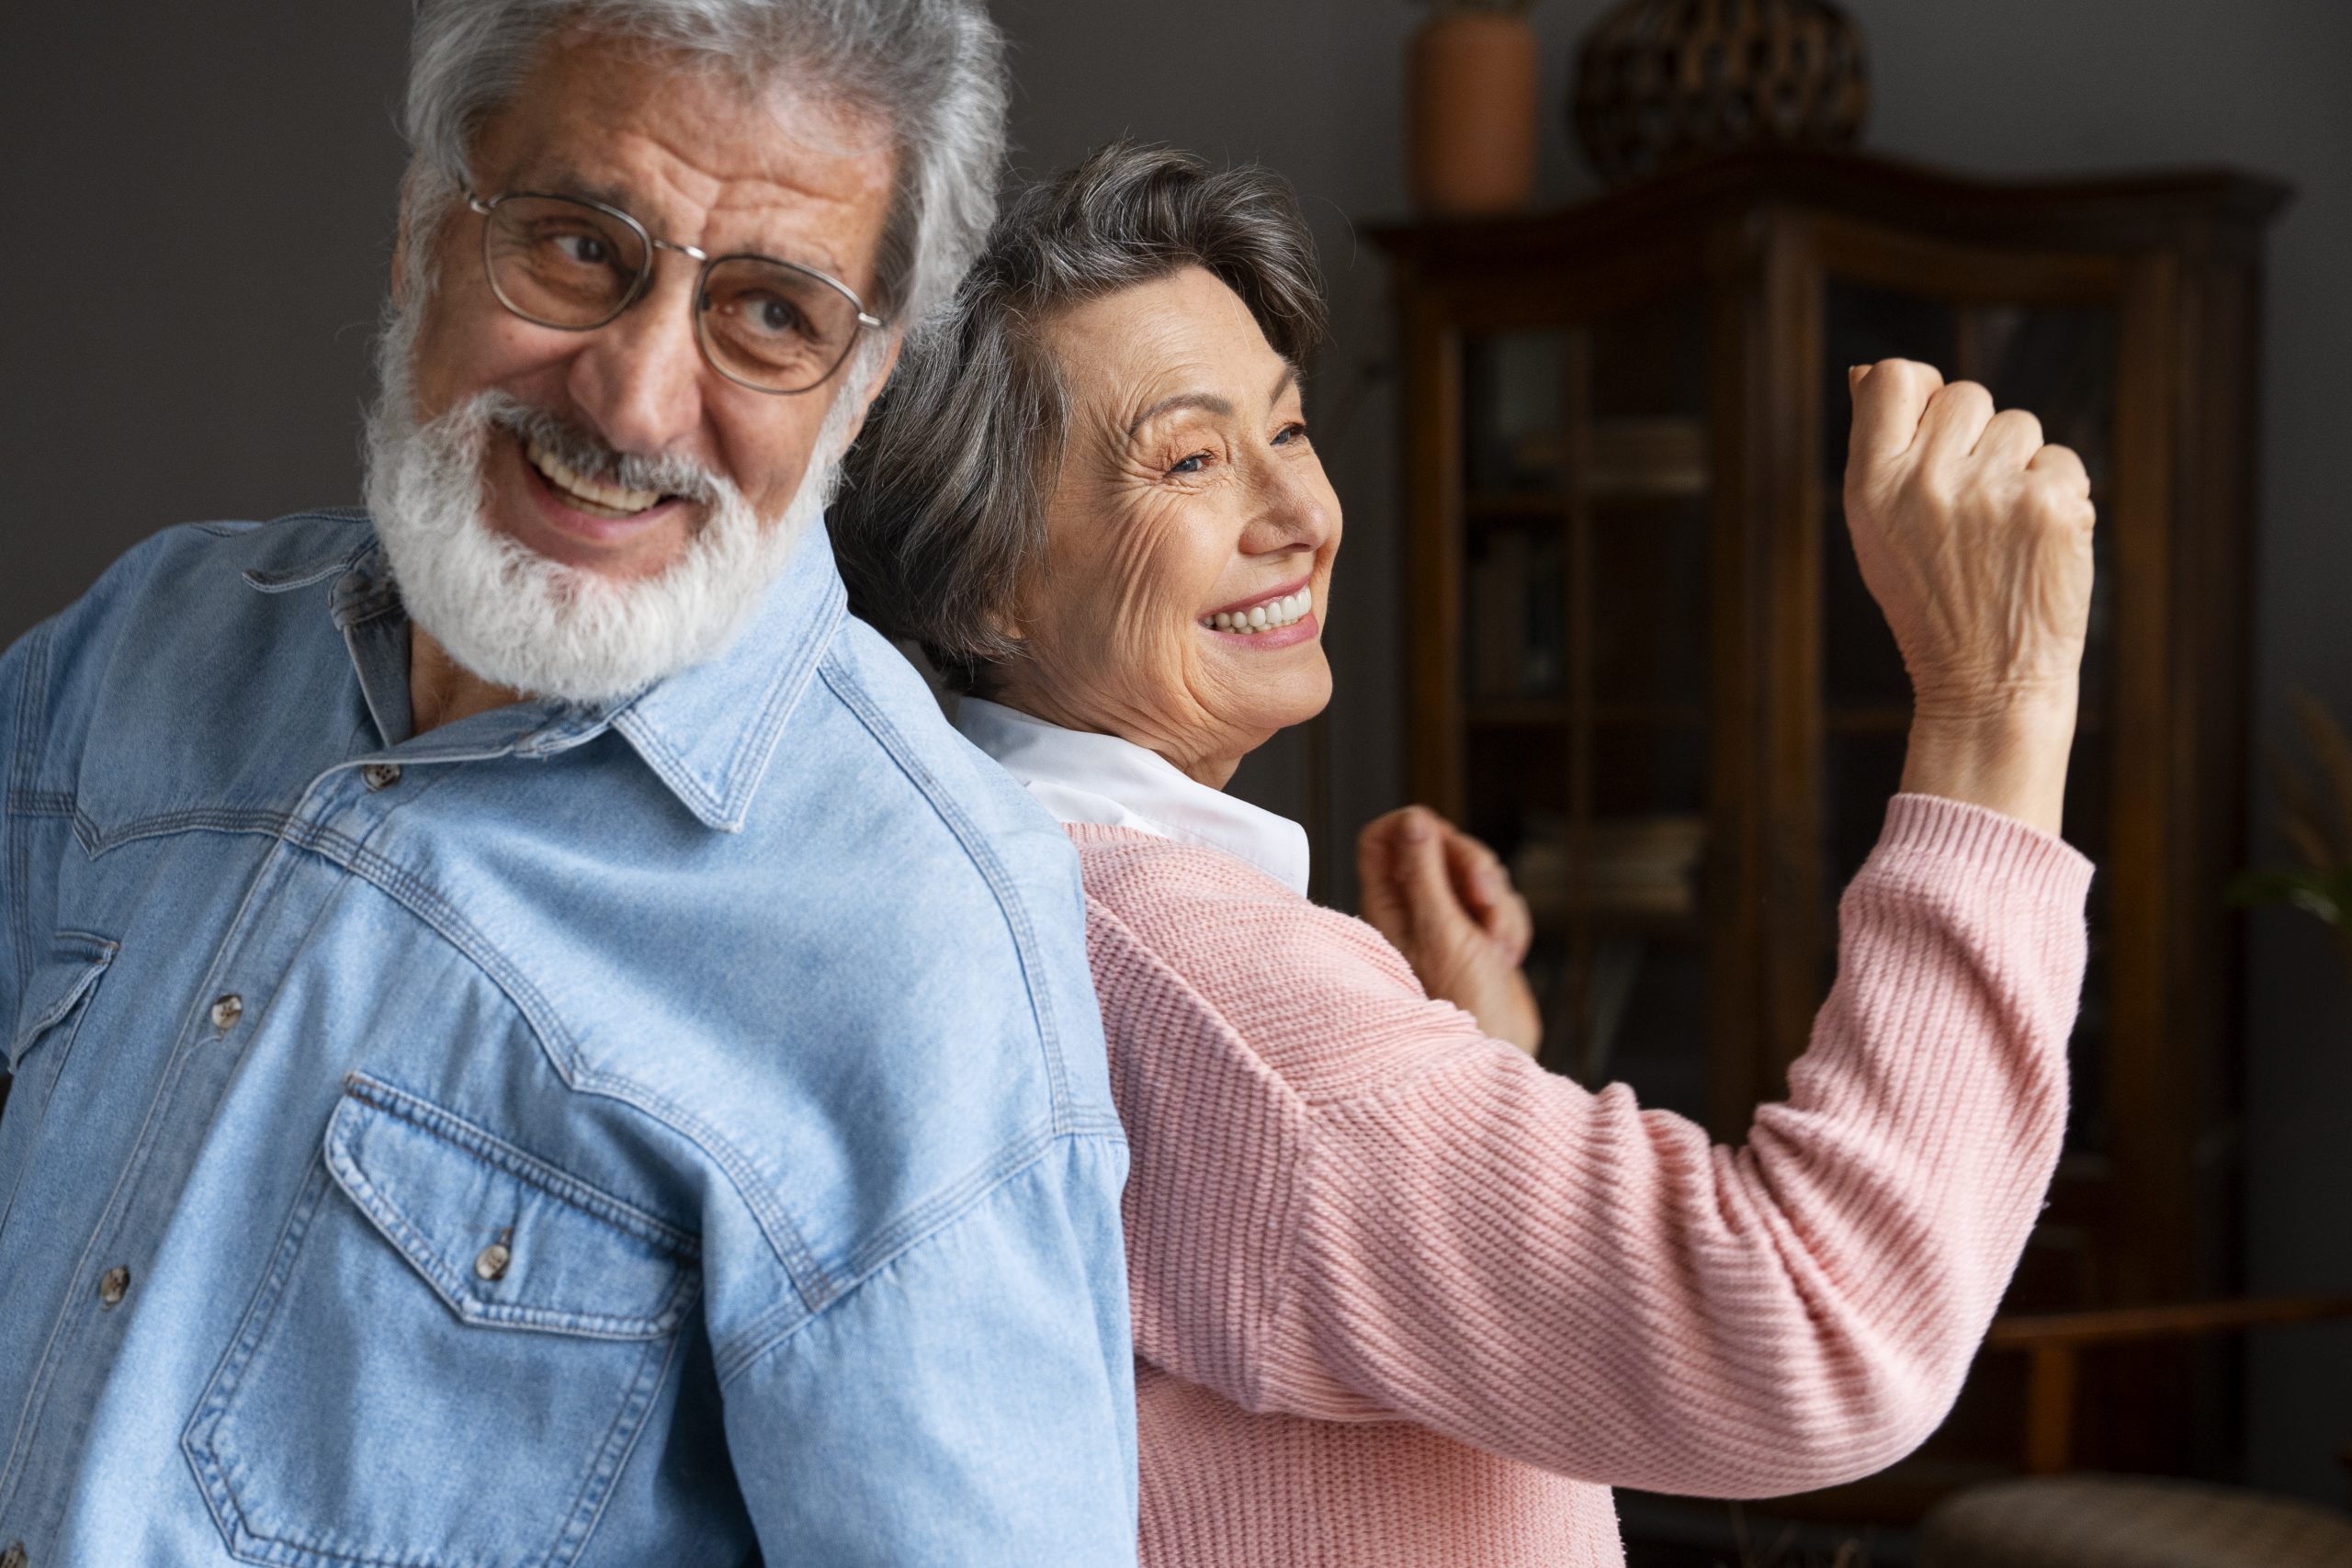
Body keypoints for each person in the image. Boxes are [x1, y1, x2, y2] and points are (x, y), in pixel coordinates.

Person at [832, 141, 2098, 1568]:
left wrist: (1466, 1065)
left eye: (1291, 430)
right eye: (1190, 458)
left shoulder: (1028, 898)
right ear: (982, 582)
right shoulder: (1196, 976)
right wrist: (1997, 712)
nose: (1302, 516)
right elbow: (1819, 1331)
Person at [0, 6, 1137, 1564]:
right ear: (421, 237)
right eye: (579, 249)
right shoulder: (145, 646)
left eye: (769, 318)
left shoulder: (921, 943)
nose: (633, 400)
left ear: (861, 388)